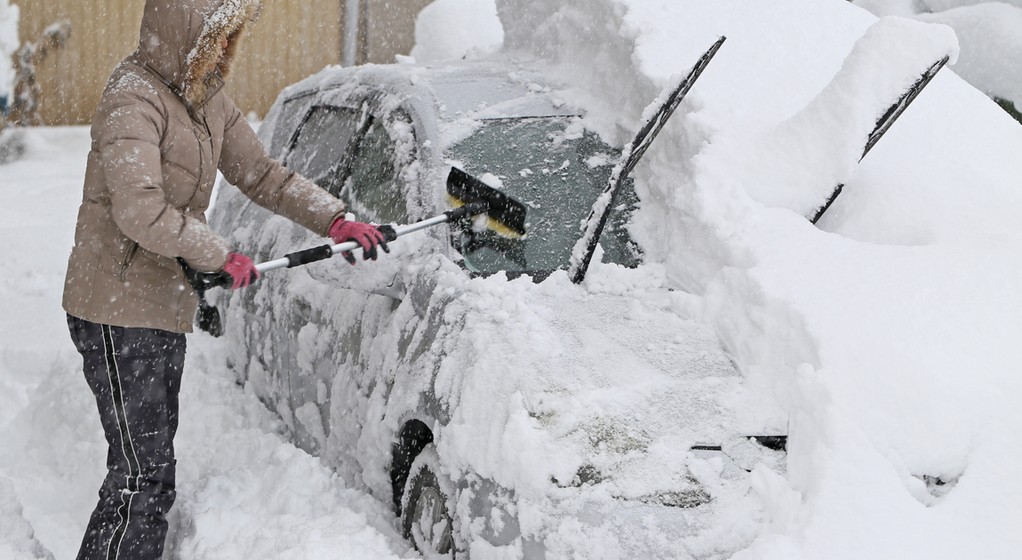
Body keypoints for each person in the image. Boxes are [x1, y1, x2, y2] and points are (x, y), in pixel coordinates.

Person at [61, 1, 387, 558]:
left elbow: (263, 175)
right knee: (142, 478)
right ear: (184, 34)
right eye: (218, 39)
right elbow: (138, 209)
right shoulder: (131, 99)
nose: (227, 52)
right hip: (113, 312)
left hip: (161, 302)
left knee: (149, 472)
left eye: (230, 40)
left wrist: (335, 217)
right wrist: (217, 253)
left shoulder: (206, 101)